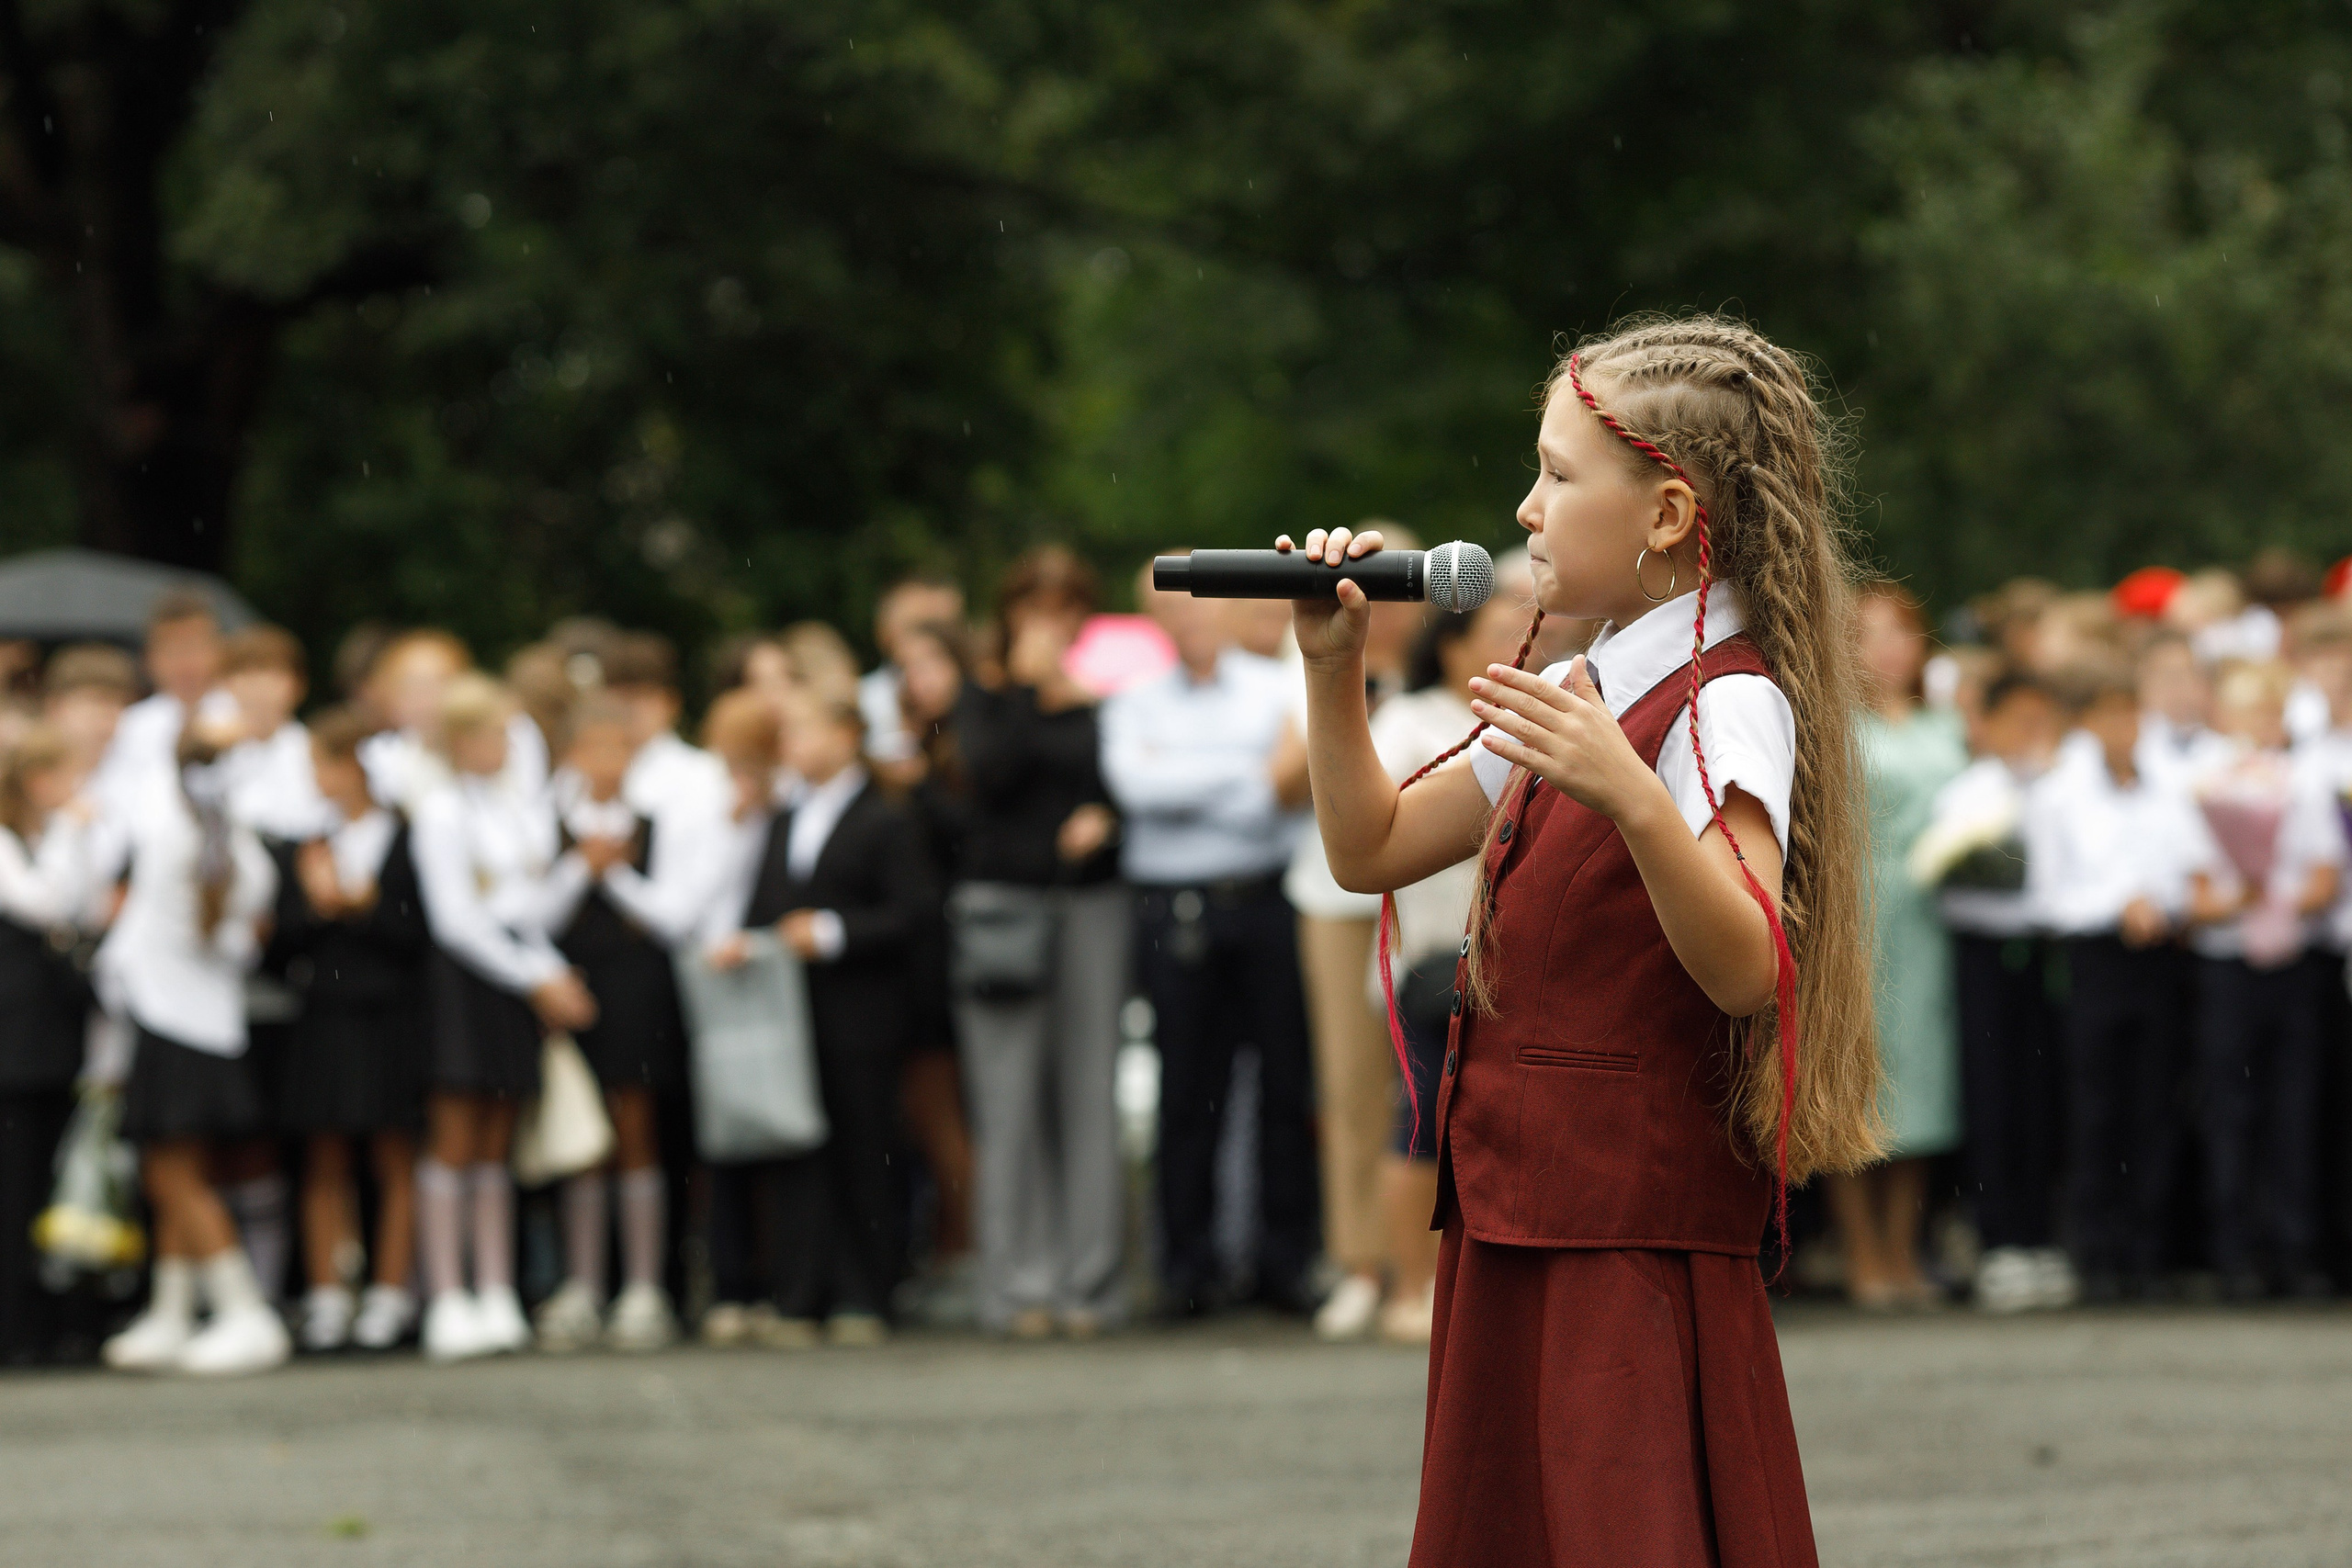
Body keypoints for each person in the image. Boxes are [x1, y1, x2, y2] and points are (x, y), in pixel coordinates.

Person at [1287, 318, 1881, 1565]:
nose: (1527, 505)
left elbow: (1748, 962)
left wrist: (1632, 793)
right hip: (1524, 1200)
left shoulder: (1727, 694)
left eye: (1558, 474)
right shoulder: (1584, 687)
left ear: (1667, 514)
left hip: (1628, 1218)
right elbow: (1373, 848)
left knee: (1627, 1522)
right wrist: (1332, 671)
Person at [1106, 561, 1319, 1318]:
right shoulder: (1131, 702)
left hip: (1263, 900)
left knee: (1283, 1082)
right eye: (1165, 603)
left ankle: (1281, 1260)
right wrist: (1244, 779)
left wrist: (1191, 779)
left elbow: (1283, 791)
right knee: (1186, 1088)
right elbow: (1136, 789)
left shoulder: (1274, 688)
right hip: (1172, 910)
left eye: (1197, 599)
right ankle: (1186, 1266)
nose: (1186, 615)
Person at [950, 548, 1129, 1337]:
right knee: (1009, 1098)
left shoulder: (1103, 700)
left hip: (1089, 905)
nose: (1050, 621)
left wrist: (1105, 821)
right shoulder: (985, 697)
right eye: (1035, 604)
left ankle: (1090, 1284)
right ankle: (1018, 1284)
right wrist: (1025, 685)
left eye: (1065, 606)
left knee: (1090, 1093)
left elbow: (1121, 789)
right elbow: (988, 776)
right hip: (1003, 912)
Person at [721, 691, 934, 1345]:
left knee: (865, 1147)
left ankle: (865, 1293)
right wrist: (746, 939)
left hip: (863, 1011)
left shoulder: (888, 816)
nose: (793, 748)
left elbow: (914, 912)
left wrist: (835, 932)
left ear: (847, 734)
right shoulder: (785, 817)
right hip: (795, 1013)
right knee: (800, 1153)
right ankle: (800, 1292)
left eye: (805, 731)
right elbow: (766, 901)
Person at [1358, 588, 1534, 1347]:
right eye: (1498, 628)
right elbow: (1383, 819)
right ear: (1455, 644)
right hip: (1433, 953)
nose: (1520, 637)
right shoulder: (1411, 718)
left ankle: (1485, 1286)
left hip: (1516, 958)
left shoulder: (1544, 708)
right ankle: (1407, 1283)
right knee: (1422, 1119)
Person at [409, 674, 598, 1361]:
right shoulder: (441, 812)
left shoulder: (514, 810)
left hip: (512, 984)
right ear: (461, 741)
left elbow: (531, 909)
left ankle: (493, 1289)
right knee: (454, 1138)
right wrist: (537, 977)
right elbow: (457, 922)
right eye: (491, 732)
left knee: (497, 1139)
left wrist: (550, 967)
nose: (504, 745)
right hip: (465, 986)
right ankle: (447, 1293)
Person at [97, 714, 288, 1376]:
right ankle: (171, 1311)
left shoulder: (170, 837)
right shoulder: (240, 844)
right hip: (210, 1026)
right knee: (175, 1172)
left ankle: (244, 1312)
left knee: (175, 1176)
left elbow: (138, 936)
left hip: (167, 1023)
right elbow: (240, 938)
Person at [1283, 521, 1425, 1344]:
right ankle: (1357, 1262)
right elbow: (1280, 780)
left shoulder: (1450, 661)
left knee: (1423, 1078)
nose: (1388, 594)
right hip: (1336, 900)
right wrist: (1338, 679)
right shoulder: (1311, 640)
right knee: (1348, 1085)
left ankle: (1419, 1263)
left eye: (1402, 577)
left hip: (1425, 891)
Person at [2025, 660, 2199, 1301]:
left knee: (2155, 1102)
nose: (2123, 727)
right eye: (2110, 714)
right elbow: (2046, 899)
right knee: (2095, 1106)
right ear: (2089, 723)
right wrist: (2117, 905)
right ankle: (2097, 1250)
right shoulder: (2058, 795)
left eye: (2132, 714)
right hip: (2096, 960)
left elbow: (2190, 869)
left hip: (2158, 959)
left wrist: (2163, 903)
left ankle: (2148, 1250)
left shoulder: (2169, 787)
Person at [533, 695, 690, 1352]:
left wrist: (615, 872)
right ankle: (584, 1283)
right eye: (593, 747)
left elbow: (674, 915)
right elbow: (533, 914)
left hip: (639, 992)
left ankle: (645, 1285)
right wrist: (580, 867)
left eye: (619, 747)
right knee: (582, 1138)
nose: (607, 761)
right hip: (576, 992)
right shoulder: (549, 827)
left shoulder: (656, 825)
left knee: (635, 1127)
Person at [2181, 660, 2343, 1299]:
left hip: (2293, 965)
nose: (2261, 725)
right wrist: (2243, 896)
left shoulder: (2305, 782)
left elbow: (2326, 875)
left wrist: (2282, 899)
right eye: (2249, 711)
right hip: (2227, 966)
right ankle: (2235, 1249)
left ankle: (2294, 1246)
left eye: (2271, 713)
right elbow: (2194, 891)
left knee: (2295, 1108)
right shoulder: (2205, 785)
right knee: (2232, 1106)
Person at [271, 707, 431, 1352]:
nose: (317, 776)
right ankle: (329, 1294)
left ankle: (391, 1293)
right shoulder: (307, 844)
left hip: (392, 1015)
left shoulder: (411, 836)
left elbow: (419, 934)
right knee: (325, 1155)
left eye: (326, 762)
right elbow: (280, 946)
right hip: (326, 1015)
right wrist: (314, 907)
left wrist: (364, 907)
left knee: (394, 1153)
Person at [1921, 669, 2075, 1313]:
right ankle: (1997, 1237)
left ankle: (2038, 1236)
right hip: (1983, 955)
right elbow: (1943, 870)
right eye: (2016, 720)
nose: (2029, 735)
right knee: (1993, 1094)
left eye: (2040, 721)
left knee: (2041, 1094)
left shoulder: (2062, 787)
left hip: (2042, 952)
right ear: (1983, 724)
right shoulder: (1969, 790)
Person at [1836, 583, 1968, 1308]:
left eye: (1899, 632)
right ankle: (1863, 1253)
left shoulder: (1945, 728)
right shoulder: (1834, 724)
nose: (1885, 647)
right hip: (1858, 906)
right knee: (1860, 1072)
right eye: (1868, 633)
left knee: (1922, 1076)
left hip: (1928, 916)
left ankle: (1904, 1249)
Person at [0, 724, 95, 1364]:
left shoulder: (52, 839)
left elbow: (84, 911)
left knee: (42, 1188)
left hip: (50, 1045)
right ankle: (12, 1325)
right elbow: (48, 904)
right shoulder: (11, 844)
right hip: (12, 1049)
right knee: (11, 1189)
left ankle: (45, 1319)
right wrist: (72, 830)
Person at [219, 626, 331, 842]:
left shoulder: (313, 751)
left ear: (299, 685)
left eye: (272, 673)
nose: (259, 685)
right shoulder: (206, 749)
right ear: (225, 683)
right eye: (246, 672)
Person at [861, 573, 967, 777]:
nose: (923, 633)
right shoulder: (866, 696)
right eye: (912, 624)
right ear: (884, 632)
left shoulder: (979, 695)